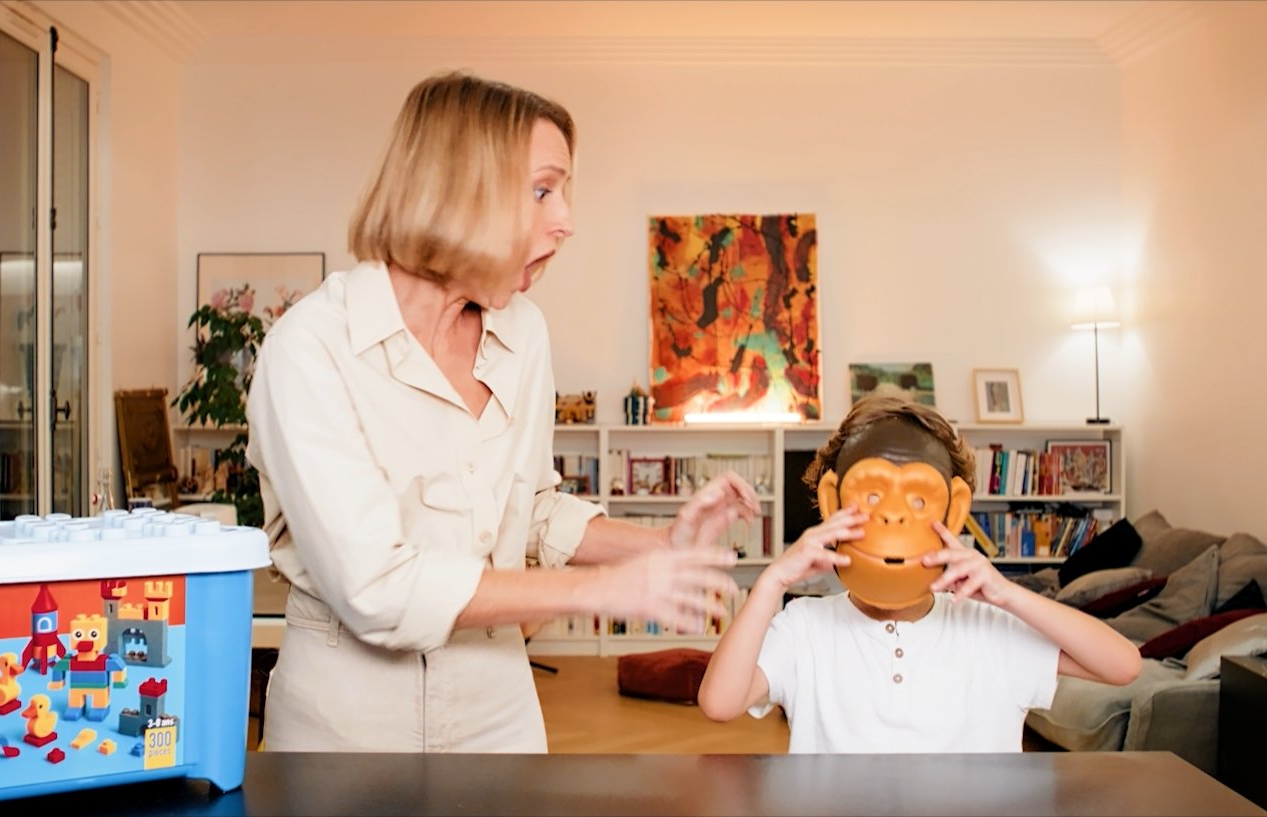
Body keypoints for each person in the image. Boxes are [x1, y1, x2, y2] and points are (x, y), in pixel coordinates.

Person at [245, 71, 760, 753]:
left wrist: (663, 546)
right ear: (457, 189)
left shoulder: (524, 332)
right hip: (347, 725)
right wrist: (600, 590)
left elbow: (531, 507)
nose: (566, 220)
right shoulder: (311, 347)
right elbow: (375, 586)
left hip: (498, 709)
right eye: (543, 190)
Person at [696, 395, 1140, 752]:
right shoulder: (804, 627)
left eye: (918, 499)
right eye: (872, 495)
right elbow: (719, 703)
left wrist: (1008, 594)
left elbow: (1122, 665)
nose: (893, 515)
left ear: (954, 509)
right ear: (833, 502)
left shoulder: (992, 627)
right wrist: (772, 581)